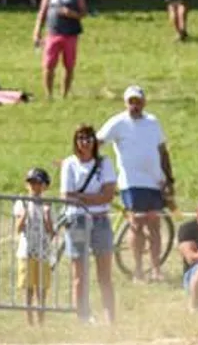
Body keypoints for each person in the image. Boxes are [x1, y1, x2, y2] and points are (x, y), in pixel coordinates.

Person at [98, 85, 176, 283]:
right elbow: (97, 142)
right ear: (126, 103)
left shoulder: (153, 122)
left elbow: (162, 151)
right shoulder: (118, 122)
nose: (135, 105)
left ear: (144, 102)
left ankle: (156, 269)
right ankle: (139, 270)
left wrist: (169, 178)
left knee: (155, 226)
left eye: (138, 101)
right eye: (131, 101)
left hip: (155, 181)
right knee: (137, 224)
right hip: (132, 182)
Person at [60, 123, 117, 324]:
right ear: (76, 142)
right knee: (79, 274)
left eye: (89, 138)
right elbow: (67, 196)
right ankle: (83, 316)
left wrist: (82, 197)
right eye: (81, 138)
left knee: (105, 274)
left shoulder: (105, 163)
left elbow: (108, 195)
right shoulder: (69, 163)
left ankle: (110, 317)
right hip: (77, 220)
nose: (86, 142)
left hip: (100, 220)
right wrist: (95, 196)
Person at [33, 0, 86, 99]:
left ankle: (65, 94)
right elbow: (42, 12)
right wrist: (37, 31)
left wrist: (71, 14)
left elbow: (83, 12)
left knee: (68, 65)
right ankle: (48, 94)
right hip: (53, 32)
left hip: (70, 34)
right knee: (49, 65)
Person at [13, 167, 54, 326]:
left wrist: (47, 215)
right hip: (26, 251)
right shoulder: (21, 202)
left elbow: (52, 231)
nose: (34, 186)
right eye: (31, 183)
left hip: (43, 251)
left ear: (45, 186)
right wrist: (25, 214)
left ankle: (41, 320)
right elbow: (18, 228)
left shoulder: (49, 204)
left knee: (42, 289)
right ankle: (29, 320)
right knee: (28, 289)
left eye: (38, 183)